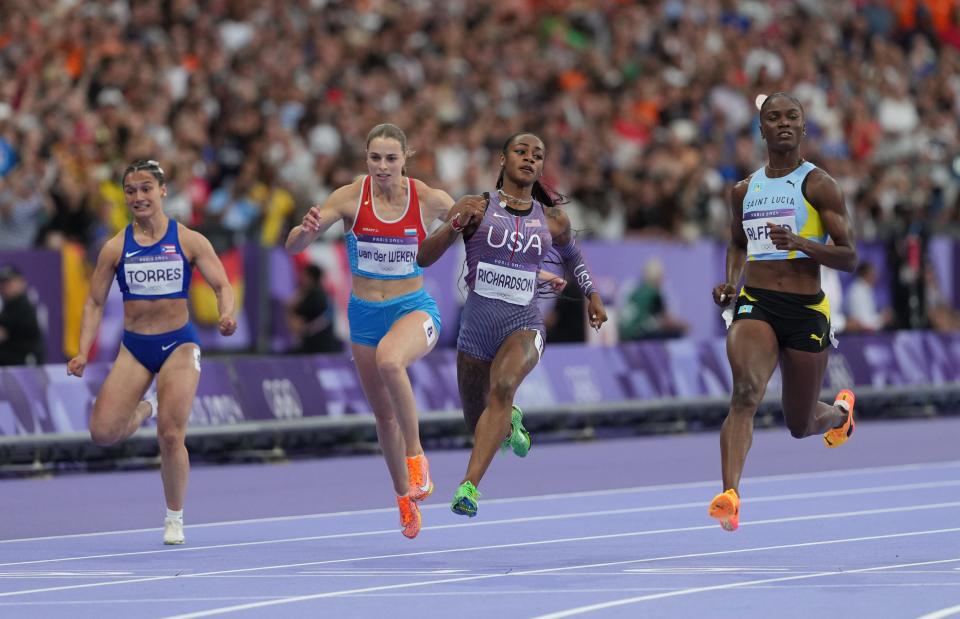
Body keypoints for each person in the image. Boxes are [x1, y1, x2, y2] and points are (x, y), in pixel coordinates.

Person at [417, 131, 608, 519]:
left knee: (503, 386)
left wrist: (593, 295)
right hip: (475, 333)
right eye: (521, 151)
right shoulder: (475, 207)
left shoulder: (553, 219)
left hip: (524, 324)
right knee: (480, 422)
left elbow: (573, 257)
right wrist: (455, 223)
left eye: (538, 155)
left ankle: (468, 487)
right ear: (502, 159)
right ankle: (509, 422)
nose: (529, 159)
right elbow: (423, 257)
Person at [285, 123, 455, 539]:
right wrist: (305, 233)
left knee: (391, 361)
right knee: (383, 417)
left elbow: (486, 236)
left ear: (405, 159)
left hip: (413, 308)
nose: (382, 167)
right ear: (366, 159)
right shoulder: (349, 197)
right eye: (375, 158)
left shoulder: (428, 199)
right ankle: (403, 497)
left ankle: (418, 460)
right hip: (364, 315)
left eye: (391, 159)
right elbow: (292, 246)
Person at [709, 93, 859, 532]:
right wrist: (730, 285)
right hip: (756, 302)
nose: (784, 123)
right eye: (773, 118)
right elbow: (738, 244)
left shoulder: (819, 185)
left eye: (792, 116)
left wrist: (801, 244)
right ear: (762, 129)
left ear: (804, 127)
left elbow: (849, 256)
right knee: (745, 394)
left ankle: (840, 416)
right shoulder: (743, 190)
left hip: (806, 309)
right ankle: (729, 495)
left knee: (800, 422)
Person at [67, 160, 237, 545]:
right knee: (103, 433)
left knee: (171, 436)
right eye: (131, 190)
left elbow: (222, 285)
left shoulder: (189, 240)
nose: (139, 197)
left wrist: (226, 314)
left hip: (179, 343)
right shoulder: (115, 247)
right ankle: (148, 405)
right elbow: (94, 303)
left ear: (162, 191)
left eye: (146, 188)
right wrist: (82, 351)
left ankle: (173, 517)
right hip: (135, 347)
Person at [618, 258, 688, 341]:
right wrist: (681, 325)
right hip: (637, 337)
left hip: (626, 335)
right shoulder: (651, 292)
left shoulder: (630, 289)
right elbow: (667, 320)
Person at [286, 263, 340, 354]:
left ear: (311, 278)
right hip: (322, 347)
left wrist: (289, 307)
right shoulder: (322, 295)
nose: (300, 279)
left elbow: (296, 325)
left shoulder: (315, 297)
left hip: (316, 348)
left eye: (304, 276)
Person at [0, 264, 45, 366]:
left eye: (9, 282)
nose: (5, 286)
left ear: (21, 282)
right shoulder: (7, 306)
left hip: (24, 362)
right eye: (2, 283)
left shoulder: (23, 306)